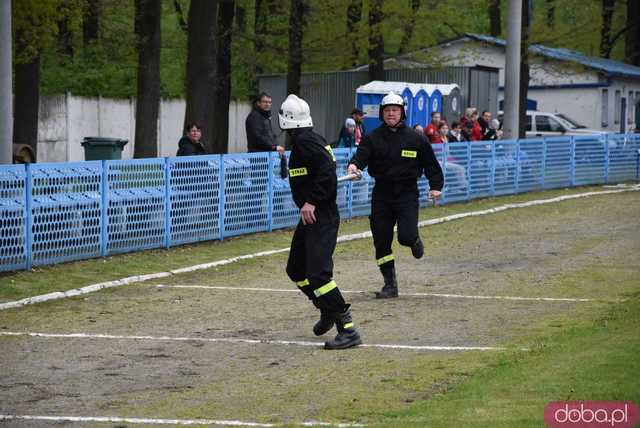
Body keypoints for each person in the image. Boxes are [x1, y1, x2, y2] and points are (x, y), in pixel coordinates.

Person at [280, 94, 362, 350]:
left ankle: (347, 328)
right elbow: (322, 173)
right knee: (296, 269)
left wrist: (312, 201)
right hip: (311, 217)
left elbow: (326, 173)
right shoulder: (308, 140)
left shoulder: (306, 143)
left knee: (318, 274)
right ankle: (326, 309)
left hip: (320, 216)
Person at [347, 92, 444, 299]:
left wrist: (436, 186)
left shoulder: (416, 138)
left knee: (405, 237)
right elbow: (360, 157)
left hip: (407, 193)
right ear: (382, 113)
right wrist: (353, 166)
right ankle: (390, 285)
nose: (391, 114)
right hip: (382, 194)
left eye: (395, 110)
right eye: (388, 110)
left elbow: (431, 165)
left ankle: (415, 240)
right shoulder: (372, 138)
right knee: (381, 240)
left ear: (402, 113)